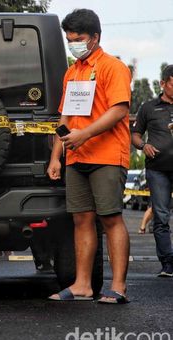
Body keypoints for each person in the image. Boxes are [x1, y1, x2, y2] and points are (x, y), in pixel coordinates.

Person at [47, 9, 132, 304]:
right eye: (69, 39)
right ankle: (82, 285)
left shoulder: (113, 67)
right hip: (75, 157)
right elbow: (66, 116)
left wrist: (86, 134)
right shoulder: (73, 71)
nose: (74, 44)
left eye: (79, 39)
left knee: (110, 218)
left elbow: (119, 110)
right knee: (81, 219)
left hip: (107, 154)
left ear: (95, 37)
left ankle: (118, 287)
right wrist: (55, 157)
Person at [131, 64, 173, 277]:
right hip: (158, 170)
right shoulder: (148, 107)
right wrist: (143, 146)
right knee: (161, 216)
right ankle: (168, 264)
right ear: (163, 83)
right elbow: (136, 135)